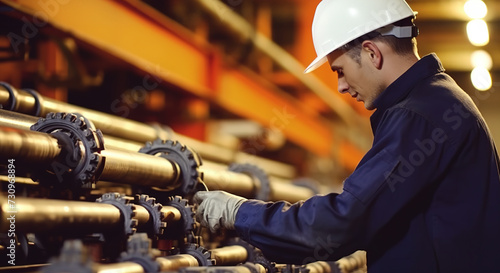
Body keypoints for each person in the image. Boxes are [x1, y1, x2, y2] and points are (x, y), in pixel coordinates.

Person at [194, 0, 500, 272]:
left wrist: (239, 213)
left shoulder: (420, 115)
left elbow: (342, 222)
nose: (340, 87)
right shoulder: (435, 102)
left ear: (371, 52)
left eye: (339, 70)